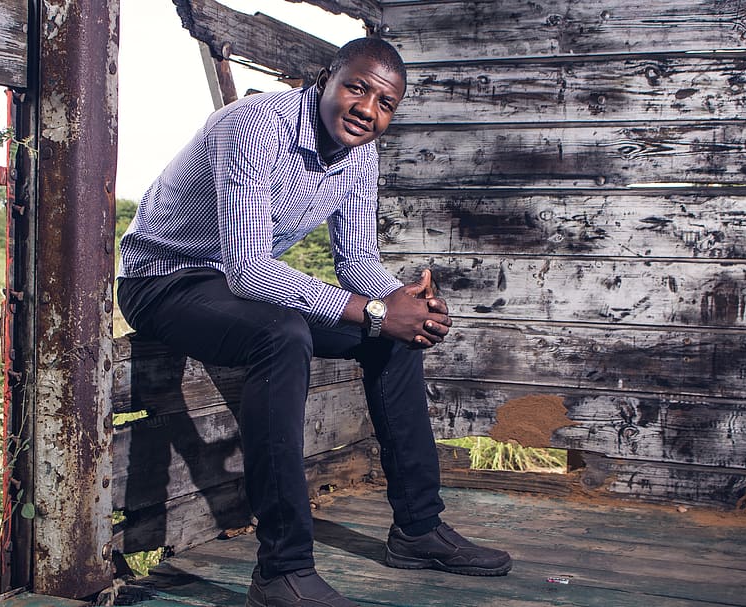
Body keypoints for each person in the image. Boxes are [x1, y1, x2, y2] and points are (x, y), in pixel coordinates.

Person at [118, 37, 511, 607]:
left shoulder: (360, 154)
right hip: (166, 278)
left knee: (393, 341)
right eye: (356, 88)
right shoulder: (255, 126)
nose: (367, 110)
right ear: (323, 79)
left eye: (385, 104)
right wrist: (377, 311)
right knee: (284, 334)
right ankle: (282, 572)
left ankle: (419, 529)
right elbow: (249, 269)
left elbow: (355, 259)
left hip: (230, 285)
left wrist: (402, 305)